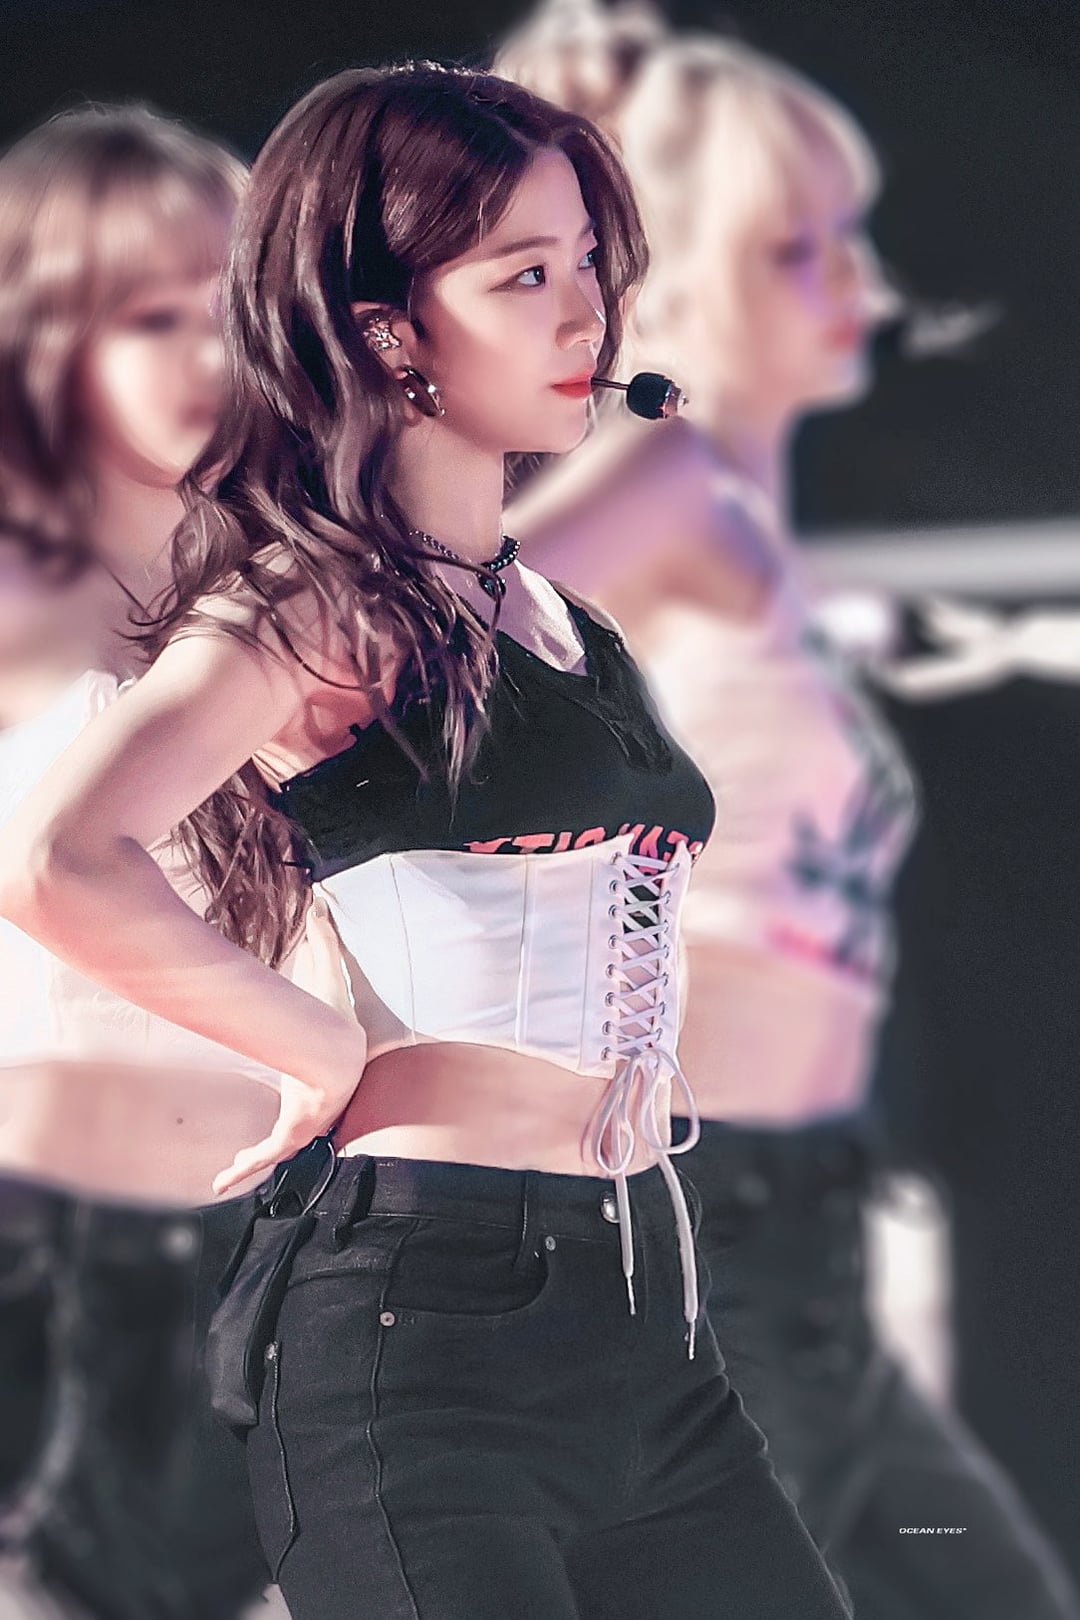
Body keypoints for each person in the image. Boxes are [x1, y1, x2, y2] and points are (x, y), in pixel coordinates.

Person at [0, 63, 852, 1620]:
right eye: (523, 276)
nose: (586, 312)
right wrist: (313, 1046)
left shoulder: (560, 617)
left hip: (655, 1336)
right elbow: (53, 856)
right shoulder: (314, 603)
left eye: (588, 261)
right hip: (423, 1339)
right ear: (391, 333)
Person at [498, 7, 1080, 1616]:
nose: (858, 284)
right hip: (694, 1233)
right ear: (687, 278)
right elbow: (393, 660)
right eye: (797, 249)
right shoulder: (669, 482)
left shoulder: (743, 529)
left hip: (801, 1234)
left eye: (848, 240)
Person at [0, 106, 277, 1620]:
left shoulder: (316, 583)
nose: (207, 355)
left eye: (228, 305)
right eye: (149, 316)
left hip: (286, 1258)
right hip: (42, 1255)